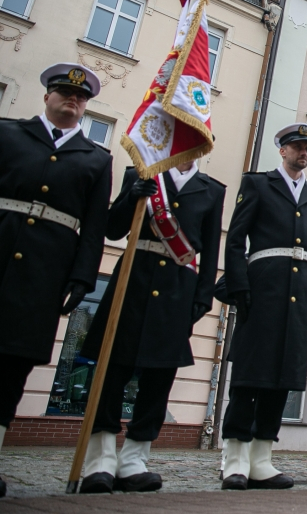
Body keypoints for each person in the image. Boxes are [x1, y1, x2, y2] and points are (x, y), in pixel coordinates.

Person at [0, 64, 112, 499]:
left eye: (81, 97)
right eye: (65, 92)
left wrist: (83, 276)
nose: (73, 99)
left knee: (14, 363)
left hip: (44, 274)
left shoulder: (95, 158)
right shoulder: (10, 135)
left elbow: (94, 226)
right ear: (47, 95)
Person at [79, 160, 224, 493]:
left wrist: (203, 294)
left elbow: (211, 246)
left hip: (177, 289)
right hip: (133, 279)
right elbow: (112, 229)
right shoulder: (141, 174)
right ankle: (99, 459)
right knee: (112, 372)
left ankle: (134, 459)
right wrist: (132, 197)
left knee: (159, 380)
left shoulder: (212, 190)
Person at [221, 123, 307, 490]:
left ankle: (262, 457)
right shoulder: (258, 184)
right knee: (251, 374)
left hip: (299, 293)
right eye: (297, 146)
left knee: (283, 376)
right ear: (282, 150)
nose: (303, 153)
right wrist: (238, 285)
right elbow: (235, 240)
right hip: (262, 288)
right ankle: (234, 456)